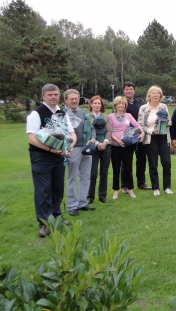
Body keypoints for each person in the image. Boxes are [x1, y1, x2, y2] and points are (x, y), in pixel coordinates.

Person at [26, 84, 76, 237]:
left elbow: (72, 133)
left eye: (55, 94)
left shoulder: (62, 113)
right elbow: (32, 138)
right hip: (42, 157)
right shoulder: (36, 114)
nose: (53, 97)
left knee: (57, 188)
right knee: (43, 190)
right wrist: (51, 149)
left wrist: (70, 145)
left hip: (59, 156)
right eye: (50, 95)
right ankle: (45, 224)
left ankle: (57, 217)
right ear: (43, 96)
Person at [64, 89, 96, 217]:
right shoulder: (62, 114)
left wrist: (92, 138)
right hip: (73, 149)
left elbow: (92, 128)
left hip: (86, 148)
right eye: (71, 98)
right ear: (65, 100)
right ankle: (72, 205)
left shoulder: (83, 114)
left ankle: (82, 203)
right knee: (72, 178)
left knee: (85, 176)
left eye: (76, 98)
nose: (74, 100)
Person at [138, 86, 173, 196]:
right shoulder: (143, 108)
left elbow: (169, 123)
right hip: (150, 138)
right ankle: (156, 188)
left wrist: (168, 120)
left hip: (163, 138)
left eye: (158, 93)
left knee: (166, 163)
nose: (155, 95)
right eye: (153, 93)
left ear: (160, 96)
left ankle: (167, 187)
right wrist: (150, 131)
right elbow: (140, 125)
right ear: (149, 95)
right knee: (153, 164)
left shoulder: (164, 106)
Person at [109, 96, 144, 199]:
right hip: (115, 146)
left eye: (123, 104)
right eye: (119, 103)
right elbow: (109, 131)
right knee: (116, 169)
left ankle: (130, 189)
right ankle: (116, 190)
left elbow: (136, 124)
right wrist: (117, 141)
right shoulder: (110, 116)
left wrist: (142, 132)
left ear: (125, 106)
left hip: (128, 146)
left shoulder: (128, 116)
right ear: (115, 105)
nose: (121, 105)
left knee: (128, 168)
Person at [121, 81, 151, 192]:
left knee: (142, 160)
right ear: (124, 91)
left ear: (134, 90)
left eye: (131, 89)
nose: (129, 91)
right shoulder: (121, 103)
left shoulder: (139, 104)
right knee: (126, 161)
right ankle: (125, 185)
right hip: (127, 136)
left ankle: (141, 182)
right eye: (127, 89)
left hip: (140, 135)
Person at [87, 96, 112, 204]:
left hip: (106, 146)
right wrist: (97, 143)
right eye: (95, 103)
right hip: (93, 147)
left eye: (99, 103)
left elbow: (109, 131)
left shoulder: (106, 117)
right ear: (91, 104)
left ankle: (102, 195)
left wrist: (105, 142)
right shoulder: (87, 117)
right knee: (92, 173)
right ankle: (90, 196)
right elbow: (87, 132)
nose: (97, 105)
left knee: (104, 172)